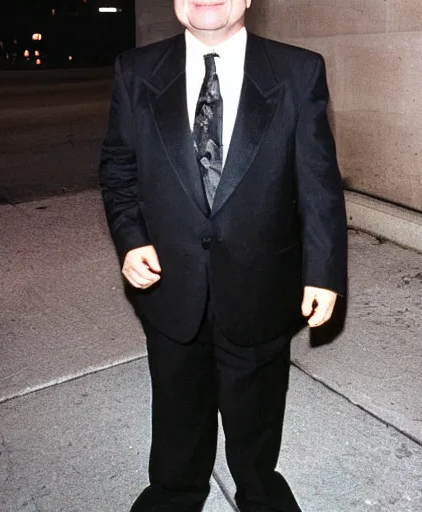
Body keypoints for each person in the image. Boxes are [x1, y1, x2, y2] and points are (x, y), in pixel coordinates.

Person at [99, 0, 347, 510]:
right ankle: (175, 489)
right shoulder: (136, 71)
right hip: (170, 285)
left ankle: (258, 488)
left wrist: (324, 272)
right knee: (176, 406)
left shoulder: (298, 71)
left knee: (255, 409)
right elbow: (119, 169)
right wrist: (131, 239)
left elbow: (319, 185)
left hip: (262, 283)